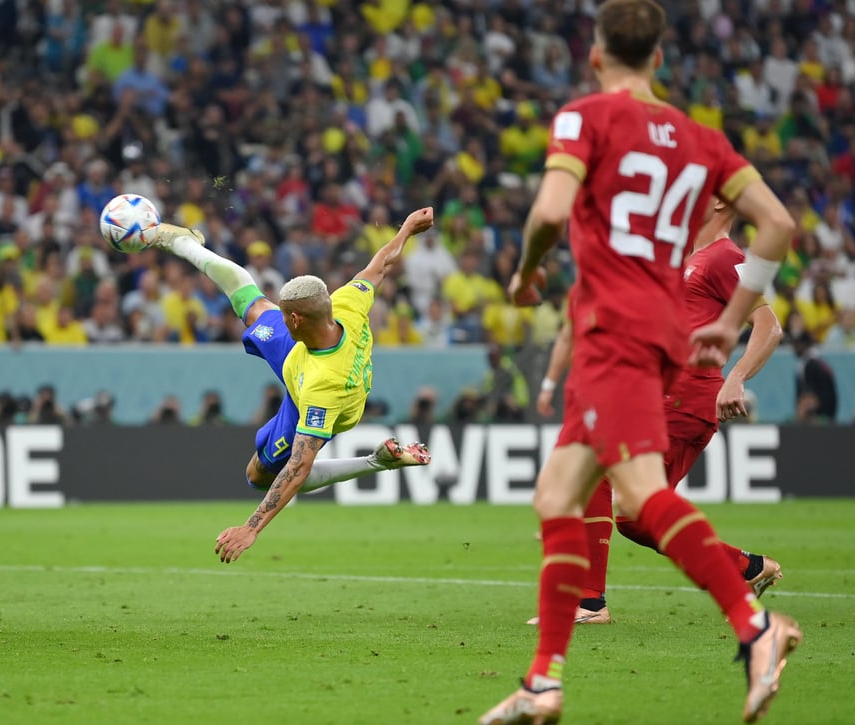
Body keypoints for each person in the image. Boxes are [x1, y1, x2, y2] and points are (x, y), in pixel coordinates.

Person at [479, 2, 802, 723]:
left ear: (596, 56)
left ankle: (755, 629)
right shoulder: (702, 141)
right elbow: (779, 223)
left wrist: (528, 272)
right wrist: (725, 323)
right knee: (559, 495)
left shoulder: (584, 117)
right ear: (660, 60)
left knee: (639, 499)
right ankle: (542, 682)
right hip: (657, 335)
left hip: (613, 328)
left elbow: (550, 214)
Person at [530, 202, 785, 628]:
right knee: (635, 518)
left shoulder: (727, 257)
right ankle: (745, 567)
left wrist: (735, 378)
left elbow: (768, 326)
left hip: (688, 399)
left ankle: (590, 603)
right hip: (658, 397)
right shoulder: (684, 260)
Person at [149, 208, 436, 565]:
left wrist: (251, 527)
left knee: (258, 474)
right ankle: (185, 244)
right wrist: (406, 229)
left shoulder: (322, 390)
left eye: (285, 314)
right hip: (304, 351)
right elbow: (381, 265)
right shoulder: (347, 304)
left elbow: (299, 469)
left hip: (315, 392)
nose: (280, 317)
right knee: (251, 303)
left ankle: (374, 462)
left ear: (295, 319)